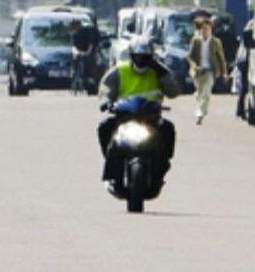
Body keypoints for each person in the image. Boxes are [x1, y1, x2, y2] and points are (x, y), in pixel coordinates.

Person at [96, 38, 186, 186]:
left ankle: (163, 163)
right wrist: (106, 102)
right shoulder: (120, 70)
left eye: (145, 57)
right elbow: (106, 88)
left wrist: (161, 72)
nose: (141, 60)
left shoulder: (159, 71)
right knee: (104, 126)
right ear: (131, 56)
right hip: (124, 117)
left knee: (167, 128)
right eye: (138, 57)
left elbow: (173, 91)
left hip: (151, 118)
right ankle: (111, 166)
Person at [186, 14, 227, 125]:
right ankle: (199, 102)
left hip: (210, 71)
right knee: (200, 94)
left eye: (208, 29)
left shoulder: (215, 42)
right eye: (203, 28)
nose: (205, 31)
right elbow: (189, 56)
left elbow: (221, 58)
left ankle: (200, 114)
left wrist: (224, 73)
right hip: (198, 72)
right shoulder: (196, 41)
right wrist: (195, 66)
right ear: (200, 29)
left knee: (206, 93)